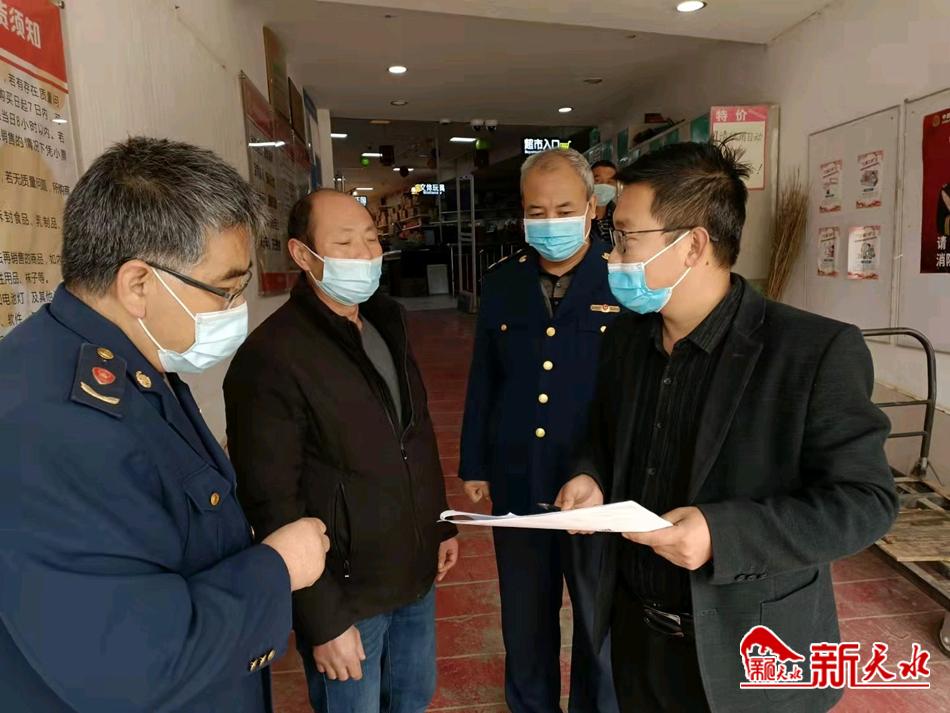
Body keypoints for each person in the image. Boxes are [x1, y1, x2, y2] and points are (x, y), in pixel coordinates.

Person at [556, 141, 898, 713]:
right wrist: (591, 475)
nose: (610, 255)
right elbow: (602, 434)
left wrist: (723, 535)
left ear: (692, 245)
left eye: (626, 237)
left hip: (755, 652)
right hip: (638, 640)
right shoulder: (626, 339)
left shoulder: (812, 352)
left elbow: (866, 502)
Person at [0, 137, 330, 712]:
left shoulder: (126, 364)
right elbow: (133, 665)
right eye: (226, 289)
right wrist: (277, 570)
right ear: (138, 285)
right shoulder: (55, 423)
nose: (237, 309)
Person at [223, 189, 459, 713]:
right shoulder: (272, 356)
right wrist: (323, 619)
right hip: (347, 596)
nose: (365, 254)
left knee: (413, 697)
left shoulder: (387, 321)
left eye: (371, 240)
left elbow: (415, 436)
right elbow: (270, 502)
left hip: (413, 571)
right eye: (345, 242)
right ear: (303, 255)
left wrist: (439, 523)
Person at [460, 148, 620, 713]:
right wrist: (475, 462)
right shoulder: (503, 281)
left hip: (598, 478)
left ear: (592, 208)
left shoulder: (623, 277)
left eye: (564, 209)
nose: (550, 222)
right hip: (518, 470)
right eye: (537, 211)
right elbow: (485, 377)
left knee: (599, 613)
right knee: (525, 611)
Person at [590, 160, 619, 244]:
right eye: (597, 180)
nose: (604, 185)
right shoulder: (580, 218)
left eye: (610, 182)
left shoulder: (618, 217)